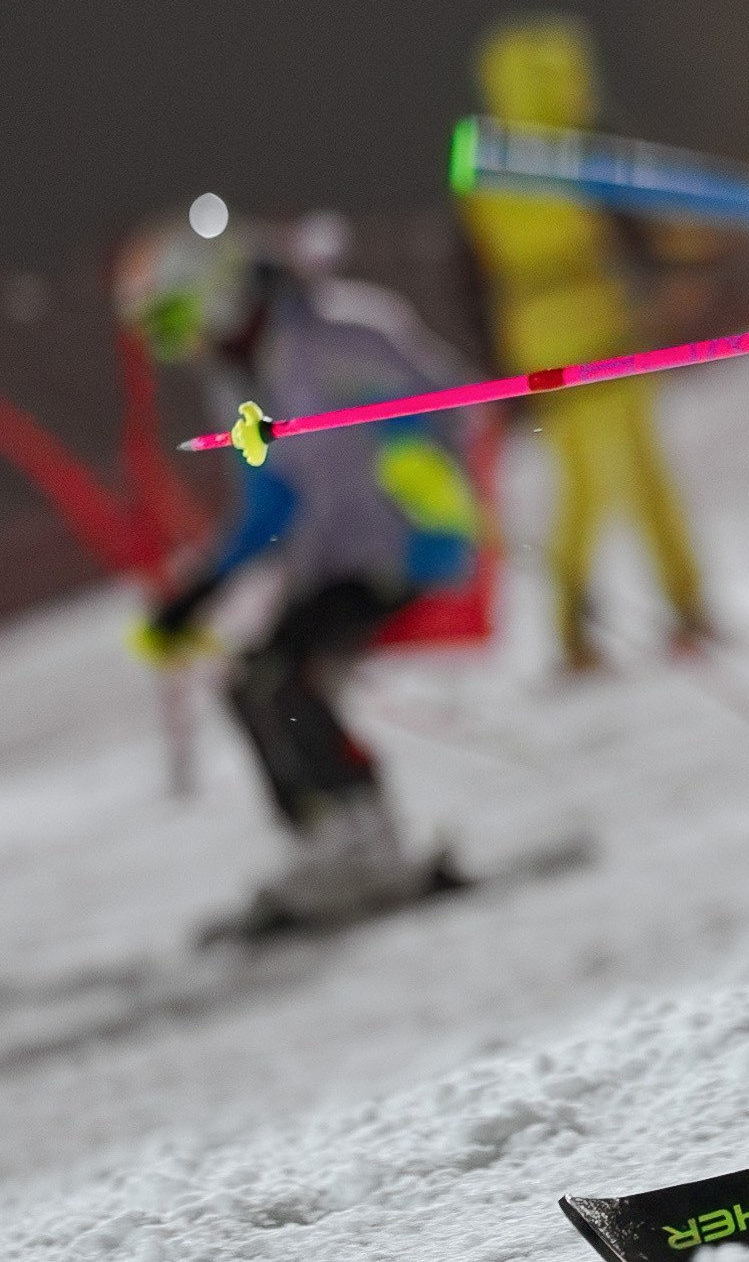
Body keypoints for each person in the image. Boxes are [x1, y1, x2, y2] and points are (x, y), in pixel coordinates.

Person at [121, 213, 482, 926]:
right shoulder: (243, 380)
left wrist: (420, 464)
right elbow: (273, 498)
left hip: (401, 545)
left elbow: (444, 406)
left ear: (216, 292)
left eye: (176, 320)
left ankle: (367, 836)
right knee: (246, 681)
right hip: (332, 558)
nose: (178, 345)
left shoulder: (339, 332)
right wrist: (205, 586)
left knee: (289, 672)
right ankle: (322, 839)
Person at [458, 13, 716, 672]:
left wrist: (494, 367)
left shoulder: (483, 160)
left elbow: (468, 275)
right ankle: (681, 609)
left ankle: (578, 629)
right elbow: (633, 227)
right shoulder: (581, 145)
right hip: (601, 322)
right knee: (637, 473)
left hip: (534, 339)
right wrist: (675, 268)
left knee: (582, 482)